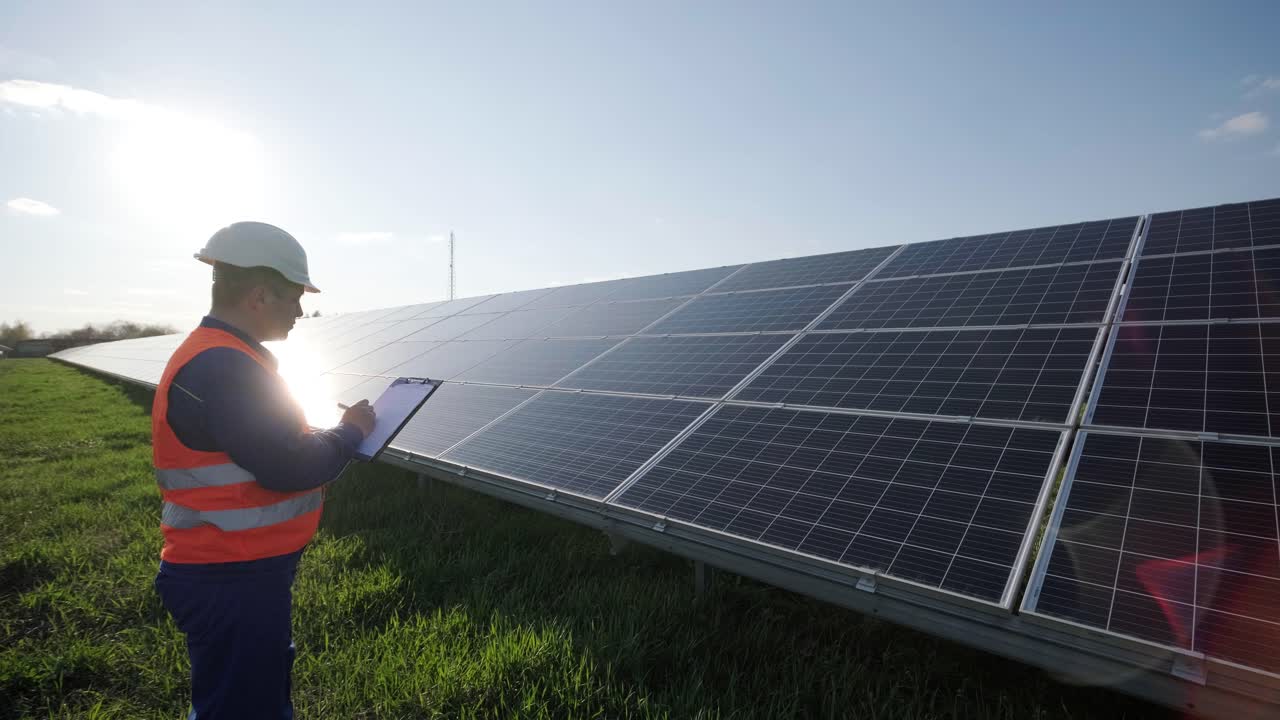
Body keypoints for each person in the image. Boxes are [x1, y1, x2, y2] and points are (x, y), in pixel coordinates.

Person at [152, 221, 376, 719]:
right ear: (258, 297)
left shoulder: (220, 356)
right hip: (232, 576)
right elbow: (287, 465)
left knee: (232, 699)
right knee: (246, 707)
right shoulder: (226, 367)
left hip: (228, 570)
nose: (300, 311)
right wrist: (350, 434)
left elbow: (265, 446)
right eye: (293, 299)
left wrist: (325, 434)